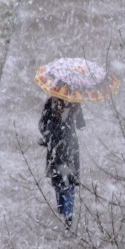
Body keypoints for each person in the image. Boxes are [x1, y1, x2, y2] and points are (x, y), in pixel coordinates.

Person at [38, 96, 85, 227]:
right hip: (70, 145)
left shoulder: (51, 102)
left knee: (57, 177)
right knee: (70, 179)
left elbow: (42, 124)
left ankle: (61, 207)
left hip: (55, 144)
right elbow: (82, 124)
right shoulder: (75, 102)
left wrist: (47, 136)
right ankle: (68, 214)